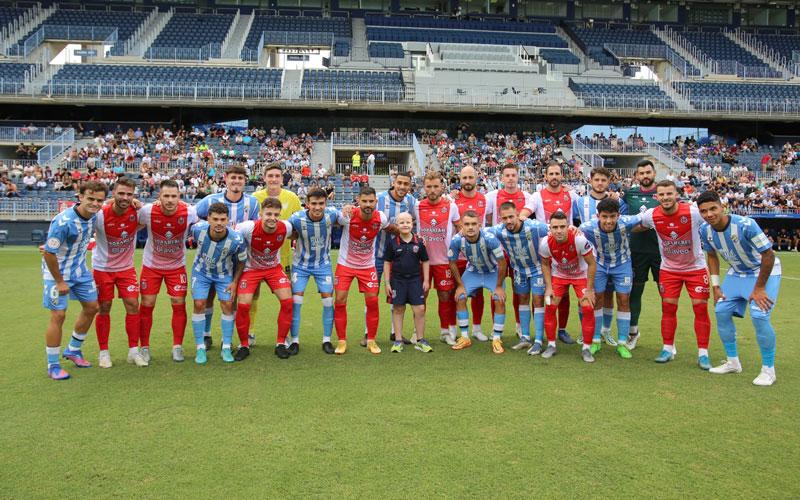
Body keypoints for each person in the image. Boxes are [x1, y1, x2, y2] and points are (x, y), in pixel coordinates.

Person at [697, 190, 780, 386]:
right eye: (704, 211)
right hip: (737, 273)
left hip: (763, 272)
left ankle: (769, 370)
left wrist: (759, 288)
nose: (709, 214)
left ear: (722, 206)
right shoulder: (704, 230)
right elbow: (711, 256)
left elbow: (768, 255)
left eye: (713, 209)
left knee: (760, 316)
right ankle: (733, 362)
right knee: (721, 311)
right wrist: (716, 286)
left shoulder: (745, 225)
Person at [640, 180, 711, 369]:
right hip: (669, 270)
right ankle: (667, 349)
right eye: (661, 195)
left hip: (695, 268)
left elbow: (713, 220)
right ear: (656, 197)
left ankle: (703, 353)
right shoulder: (651, 215)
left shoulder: (693, 213)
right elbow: (635, 225)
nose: (665, 198)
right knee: (668, 308)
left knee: (700, 308)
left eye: (669, 194)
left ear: (676, 194)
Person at [41, 181, 106, 380]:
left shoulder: (95, 215)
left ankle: (73, 350)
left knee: (92, 307)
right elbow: (49, 254)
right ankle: (53, 365)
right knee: (58, 315)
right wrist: (60, 281)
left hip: (80, 271)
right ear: (80, 197)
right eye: (91, 199)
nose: (95, 203)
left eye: (99, 200)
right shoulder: (64, 222)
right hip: (56, 273)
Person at [194, 165, 259, 350]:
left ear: (244, 180)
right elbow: (193, 216)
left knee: (232, 299)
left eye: (240, 178)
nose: (236, 181)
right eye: (233, 177)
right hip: (213, 259)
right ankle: (206, 335)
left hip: (239, 259)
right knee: (208, 297)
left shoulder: (252, 203)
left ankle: (228, 337)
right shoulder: (210, 200)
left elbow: (253, 229)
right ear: (226, 178)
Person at [138, 180, 198, 363]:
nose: (170, 200)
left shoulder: (189, 212)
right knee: (147, 303)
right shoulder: (147, 211)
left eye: (174, 196)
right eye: (166, 196)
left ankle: (177, 346)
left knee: (178, 302)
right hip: (151, 266)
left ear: (180, 197)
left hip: (176, 266)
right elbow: (132, 220)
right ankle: (145, 347)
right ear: (159, 197)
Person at [92, 177, 147, 368]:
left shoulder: (137, 213)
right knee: (104, 308)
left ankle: (134, 351)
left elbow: (158, 212)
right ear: (113, 193)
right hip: (103, 269)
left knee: (133, 305)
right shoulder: (100, 214)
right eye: (121, 193)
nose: (125, 197)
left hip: (126, 269)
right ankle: (103, 353)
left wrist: (142, 205)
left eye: (129, 194)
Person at [579, 198, 640, 359]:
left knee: (623, 299)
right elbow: (575, 235)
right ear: (598, 216)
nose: (609, 221)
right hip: (599, 265)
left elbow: (647, 216)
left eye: (612, 216)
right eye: (604, 216)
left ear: (618, 215)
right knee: (597, 299)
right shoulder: (587, 227)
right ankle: (596, 340)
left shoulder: (627, 222)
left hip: (622, 265)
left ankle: (622, 344)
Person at [332, 186, 391, 355]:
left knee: (372, 301)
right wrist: (342, 209)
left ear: (376, 202)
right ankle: (342, 341)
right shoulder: (348, 216)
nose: (368, 204)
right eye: (364, 201)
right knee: (340, 300)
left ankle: (371, 340)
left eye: (371, 201)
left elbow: (390, 228)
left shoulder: (381, 218)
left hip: (367, 266)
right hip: (346, 265)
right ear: (358, 200)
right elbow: (333, 218)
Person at [235, 198, 295, 360]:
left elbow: (298, 231)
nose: (272, 217)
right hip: (251, 269)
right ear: (261, 214)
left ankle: (281, 343)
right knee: (243, 305)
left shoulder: (286, 227)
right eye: (268, 214)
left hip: (273, 269)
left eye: (276, 214)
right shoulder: (247, 228)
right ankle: (244, 345)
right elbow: (230, 235)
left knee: (288, 302)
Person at [287, 188, 344, 355]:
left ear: (326, 204)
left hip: (323, 265)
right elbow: (284, 231)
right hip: (300, 265)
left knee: (327, 301)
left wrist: (349, 209)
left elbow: (348, 219)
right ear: (307, 204)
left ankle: (326, 340)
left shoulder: (332, 214)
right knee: (296, 301)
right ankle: (295, 341)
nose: (317, 207)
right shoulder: (297, 218)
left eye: (321, 203)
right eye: (314, 203)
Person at [188, 202, 247, 364]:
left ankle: (226, 347)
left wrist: (235, 282)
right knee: (199, 304)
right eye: (215, 219)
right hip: (201, 273)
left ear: (228, 219)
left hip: (224, 275)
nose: (219, 223)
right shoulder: (197, 230)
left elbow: (242, 261)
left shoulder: (236, 239)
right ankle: (200, 347)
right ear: (208, 219)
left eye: (223, 219)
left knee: (228, 305)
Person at [574, 166, 627, 346]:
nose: (600, 183)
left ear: (608, 182)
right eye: (596, 179)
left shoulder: (616, 202)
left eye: (603, 180)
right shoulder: (580, 202)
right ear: (590, 181)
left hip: (611, 257)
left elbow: (623, 226)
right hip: (587, 257)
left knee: (608, 295)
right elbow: (575, 225)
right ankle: (586, 330)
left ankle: (605, 330)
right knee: (586, 295)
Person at [531, 161, 582, 345]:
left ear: (562, 176)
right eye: (550, 174)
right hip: (545, 250)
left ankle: (561, 330)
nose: (554, 177)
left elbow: (584, 215)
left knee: (565, 292)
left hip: (566, 251)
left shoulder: (571, 195)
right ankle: (540, 333)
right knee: (544, 292)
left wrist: (576, 229)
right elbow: (524, 215)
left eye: (557, 174)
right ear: (545, 177)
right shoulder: (537, 196)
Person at [251, 163, 302, 345]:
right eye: (270, 176)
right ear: (264, 178)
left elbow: (299, 225)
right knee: (252, 296)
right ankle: (250, 333)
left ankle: (285, 335)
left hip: (284, 258)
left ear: (282, 178)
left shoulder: (292, 198)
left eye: (277, 176)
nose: (273, 179)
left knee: (286, 298)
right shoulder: (254, 198)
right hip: (256, 259)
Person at [539, 211, 598, 362]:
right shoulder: (545, 243)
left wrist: (590, 290)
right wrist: (549, 287)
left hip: (581, 275)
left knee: (587, 307)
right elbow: (545, 265)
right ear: (550, 228)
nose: (559, 231)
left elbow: (592, 264)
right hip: (559, 275)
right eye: (555, 227)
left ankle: (586, 348)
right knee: (550, 305)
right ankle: (551, 345)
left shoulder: (578, 239)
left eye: (562, 227)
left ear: (568, 227)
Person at [492, 201, 550, 354]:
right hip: (519, 270)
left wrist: (572, 229)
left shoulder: (534, 226)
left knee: (537, 300)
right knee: (522, 299)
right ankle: (525, 337)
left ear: (518, 214)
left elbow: (554, 230)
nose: (509, 221)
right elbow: (482, 232)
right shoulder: (499, 230)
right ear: (500, 218)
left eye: (511, 216)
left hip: (537, 269)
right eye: (505, 218)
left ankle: (538, 339)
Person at [484, 164, 534, 339]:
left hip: (519, 251)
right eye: (507, 175)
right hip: (498, 251)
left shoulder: (527, 197)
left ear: (518, 177)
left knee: (519, 291)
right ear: (502, 178)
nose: (511, 178)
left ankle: (520, 326)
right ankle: (496, 327)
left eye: (514, 175)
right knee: (496, 289)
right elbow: (487, 219)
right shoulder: (492, 196)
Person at [449, 210, 508, 354]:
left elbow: (502, 263)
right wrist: (460, 286)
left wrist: (499, 286)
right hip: (473, 272)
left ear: (479, 225)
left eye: (474, 224)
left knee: (499, 299)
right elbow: (452, 263)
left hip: (492, 272)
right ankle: (464, 337)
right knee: (460, 297)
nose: (470, 227)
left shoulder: (489, 238)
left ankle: (497, 338)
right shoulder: (457, 240)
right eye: (467, 224)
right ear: (461, 226)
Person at [413, 171, 461, 345]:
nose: (432, 190)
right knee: (420, 297)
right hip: (422, 262)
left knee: (445, 296)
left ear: (442, 187)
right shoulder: (417, 206)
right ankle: (416, 332)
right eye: (429, 186)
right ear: (423, 187)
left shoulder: (451, 206)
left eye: (435, 186)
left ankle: (445, 331)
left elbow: (460, 228)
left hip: (443, 261)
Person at [374, 172, 416, 344]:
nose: (402, 187)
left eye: (406, 184)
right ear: (393, 182)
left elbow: (413, 224)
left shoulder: (411, 202)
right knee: (372, 294)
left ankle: (394, 332)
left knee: (397, 296)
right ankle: (368, 334)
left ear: (410, 185)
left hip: (399, 258)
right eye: (399, 183)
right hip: (376, 254)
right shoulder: (379, 199)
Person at [622, 160, 660, 350]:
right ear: (636, 176)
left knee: (667, 295)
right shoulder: (629, 194)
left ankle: (669, 341)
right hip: (636, 252)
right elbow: (619, 216)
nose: (645, 176)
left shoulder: (664, 193)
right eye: (641, 173)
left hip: (661, 253)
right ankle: (633, 332)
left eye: (648, 172)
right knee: (635, 293)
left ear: (654, 173)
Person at [382, 212, 432, 353]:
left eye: (408, 222)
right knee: (398, 308)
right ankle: (398, 341)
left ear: (412, 224)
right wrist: (387, 283)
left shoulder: (419, 242)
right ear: (397, 226)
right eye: (401, 222)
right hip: (397, 281)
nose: (405, 225)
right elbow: (387, 263)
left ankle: (420, 340)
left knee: (420, 309)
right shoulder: (392, 243)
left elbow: (426, 261)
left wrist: (426, 280)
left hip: (415, 280)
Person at [452, 166, 490, 341]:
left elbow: (487, 224)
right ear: (459, 179)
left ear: (476, 178)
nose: (467, 181)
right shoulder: (452, 200)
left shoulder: (484, 199)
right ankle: (454, 330)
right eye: (464, 178)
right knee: (455, 293)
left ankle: (477, 328)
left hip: (476, 256)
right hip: (456, 255)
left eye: (470, 178)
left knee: (478, 293)